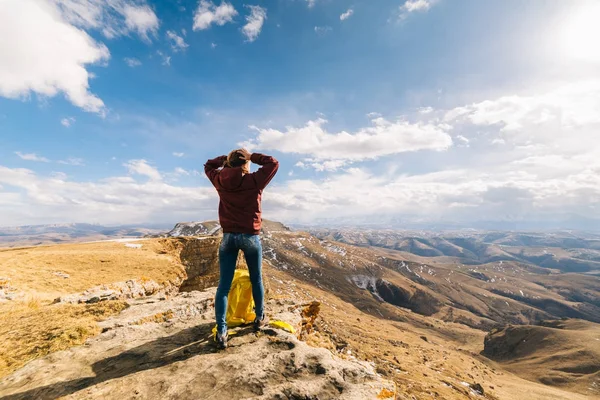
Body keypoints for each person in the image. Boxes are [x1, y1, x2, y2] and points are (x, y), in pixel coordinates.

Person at [204, 148, 279, 349]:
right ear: (245, 163)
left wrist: (224, 159)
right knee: (256, 279)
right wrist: (252, 157)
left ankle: (221, 331)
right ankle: (259, 317)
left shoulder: (219, 180)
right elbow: (273, 163)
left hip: (228, 237)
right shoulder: (253, 181)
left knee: (224, 286)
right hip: (250, 237)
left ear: (229, 163)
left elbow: (208, 165)